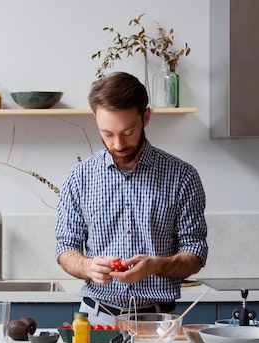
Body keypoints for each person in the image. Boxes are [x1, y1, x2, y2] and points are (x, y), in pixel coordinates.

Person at [55, 71, 208, 326]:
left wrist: (155, 266)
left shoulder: (182, 177)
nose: (117, 143)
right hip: (96, 318)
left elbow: (195, 253)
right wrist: (87, 266)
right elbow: (65, 249)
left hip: (159, 321)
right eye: (107, 133)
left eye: (128, 131)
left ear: (146, 117)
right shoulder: (78, 178)